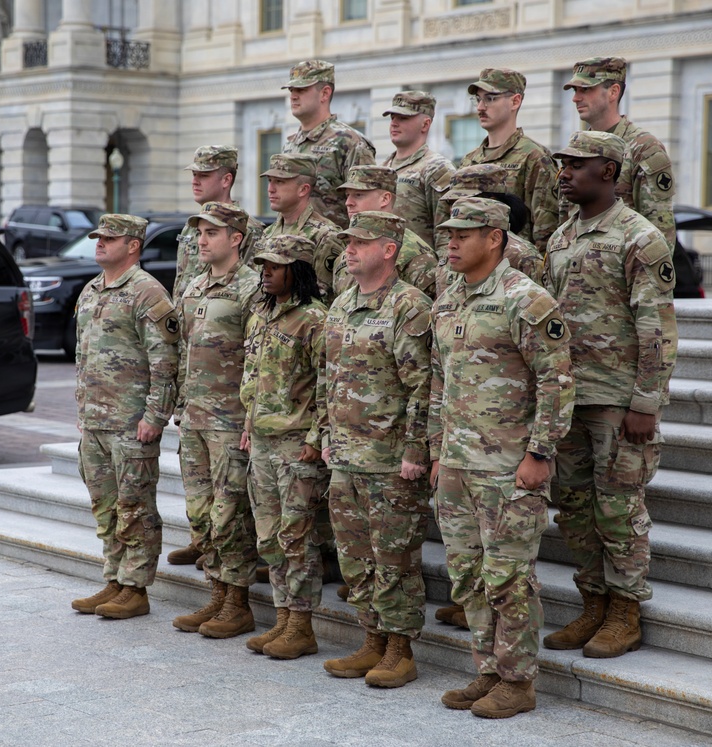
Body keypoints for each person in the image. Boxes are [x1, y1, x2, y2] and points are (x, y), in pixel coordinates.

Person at [431, 197, 573, 719]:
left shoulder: (525, 300)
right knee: (467, 573)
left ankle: (518, 682)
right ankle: (488, 669)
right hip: (457, 463)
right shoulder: (448, 300)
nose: (450, 241)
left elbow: (556, 382)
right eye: (447, 232)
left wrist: (540, 452)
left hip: (509, 466)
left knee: (509, 577)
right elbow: (437, 382)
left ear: (495, 237)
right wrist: (435, 450)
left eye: (462, 233)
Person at [543, 130, 678, 658]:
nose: (565, 173)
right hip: (568, 398)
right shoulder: (560, 237)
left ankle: (625, 611)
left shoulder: (639, 238)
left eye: (577, 165)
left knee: (619, 508)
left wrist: (647, 402)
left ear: (608, 170)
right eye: (562, 164)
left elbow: (657, 327)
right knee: (575, 507)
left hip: (618, 401)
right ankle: (593, 603)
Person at [320, 211, 432, 688]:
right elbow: (329, 378)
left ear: (389, 249)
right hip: (345, 456)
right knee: (354, 556)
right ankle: (371, 639)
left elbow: (422, 386)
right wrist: (325, 438)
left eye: (360, 242)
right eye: (347, 241)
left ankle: (400, 649)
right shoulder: (342, 303)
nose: (349, 249)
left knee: (395, 558)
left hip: (390, 460)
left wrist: (415, 450)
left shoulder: (409, 306)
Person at [70, 214, 180, 621]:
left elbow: (165, 361)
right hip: (96, 421)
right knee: (106, 507)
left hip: (132, 423)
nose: (100, 243)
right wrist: (82, 407)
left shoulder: (147, 293)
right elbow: (83, 355)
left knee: (135, 508)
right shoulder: (91, 289)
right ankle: (114, 579)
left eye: (109, 238)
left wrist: (156, 416)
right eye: (98, 237)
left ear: (133, 245)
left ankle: (136, 588)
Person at [173, 202, 262, 639]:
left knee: (230, 514)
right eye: (200, 233)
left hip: (230, 420)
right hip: (193, 418)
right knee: (200, 512)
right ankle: (216, 591)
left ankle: (237, 602)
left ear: (236, 239)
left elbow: (260, 359)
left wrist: (250, 417)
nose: (202, 240)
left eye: (212, 233)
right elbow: (182, 351)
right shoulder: (193, 287)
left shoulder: (251, 288)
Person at [240, 235, 328, 660]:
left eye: (276, 266)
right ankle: (282, 618)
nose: (266, 272)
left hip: (296, 443)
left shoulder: (314, 319)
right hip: (261, 439)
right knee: (269, 535)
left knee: (297, 537)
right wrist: (247, 424)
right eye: (263, 265)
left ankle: (302, 624)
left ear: (299, 269)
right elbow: (253, 376)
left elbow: (328, 383)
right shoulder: (260, 313)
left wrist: (316, 438)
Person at [563, 56, 676, 247]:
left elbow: (660, 233)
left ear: (613, 92)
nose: (576, 98)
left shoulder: (644, 148)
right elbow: (564, 220)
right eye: (575, 90)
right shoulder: (575, 150)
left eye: (586, 89)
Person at [460, 68, 559, 254]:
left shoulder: (535, 157)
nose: (481, 107)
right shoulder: (469, 161)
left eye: (490, 98)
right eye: (478, 99)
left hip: (515, 271)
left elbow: (546, 231)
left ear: (515, 101)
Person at [282, 59, 376, 228]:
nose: (293, 96)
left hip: (333, 248)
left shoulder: (349, 142)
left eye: (301, 89)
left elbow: (368, 207)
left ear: (325, 93)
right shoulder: (290, 146)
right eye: (291, 90)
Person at [171, 145, 265, 304]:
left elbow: (253, 288)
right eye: (194, 175)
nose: (195, 182)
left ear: (226, 180)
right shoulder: (192, 225)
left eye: (204, 175)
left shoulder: (247, 229)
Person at [433, 163, 545, 296]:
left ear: (492, 200)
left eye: (465, 200)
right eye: (452, 203)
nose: (457, 208)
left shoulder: (522, 255)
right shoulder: (453, 249)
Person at [332, 165, 439, 299]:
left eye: (358, 195)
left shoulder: (416, 255)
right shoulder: (347, 251)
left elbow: (425, 311)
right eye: (347, 195)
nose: (348, 202)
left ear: (385, 199)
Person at [259, 153, 345, 305]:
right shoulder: (268, 233)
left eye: (279, 182)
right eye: (270, 181)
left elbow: (321, 298)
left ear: (303, 189)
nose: (270, 189)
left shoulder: (325, 236)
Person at [381, 90, 456, 248]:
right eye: (393, 117)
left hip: (420, 268)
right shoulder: (383, 168)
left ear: (425, 124)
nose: (394, 123)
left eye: (403, 118)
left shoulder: (437, 168)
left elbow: (446, 233)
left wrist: (443, 271)